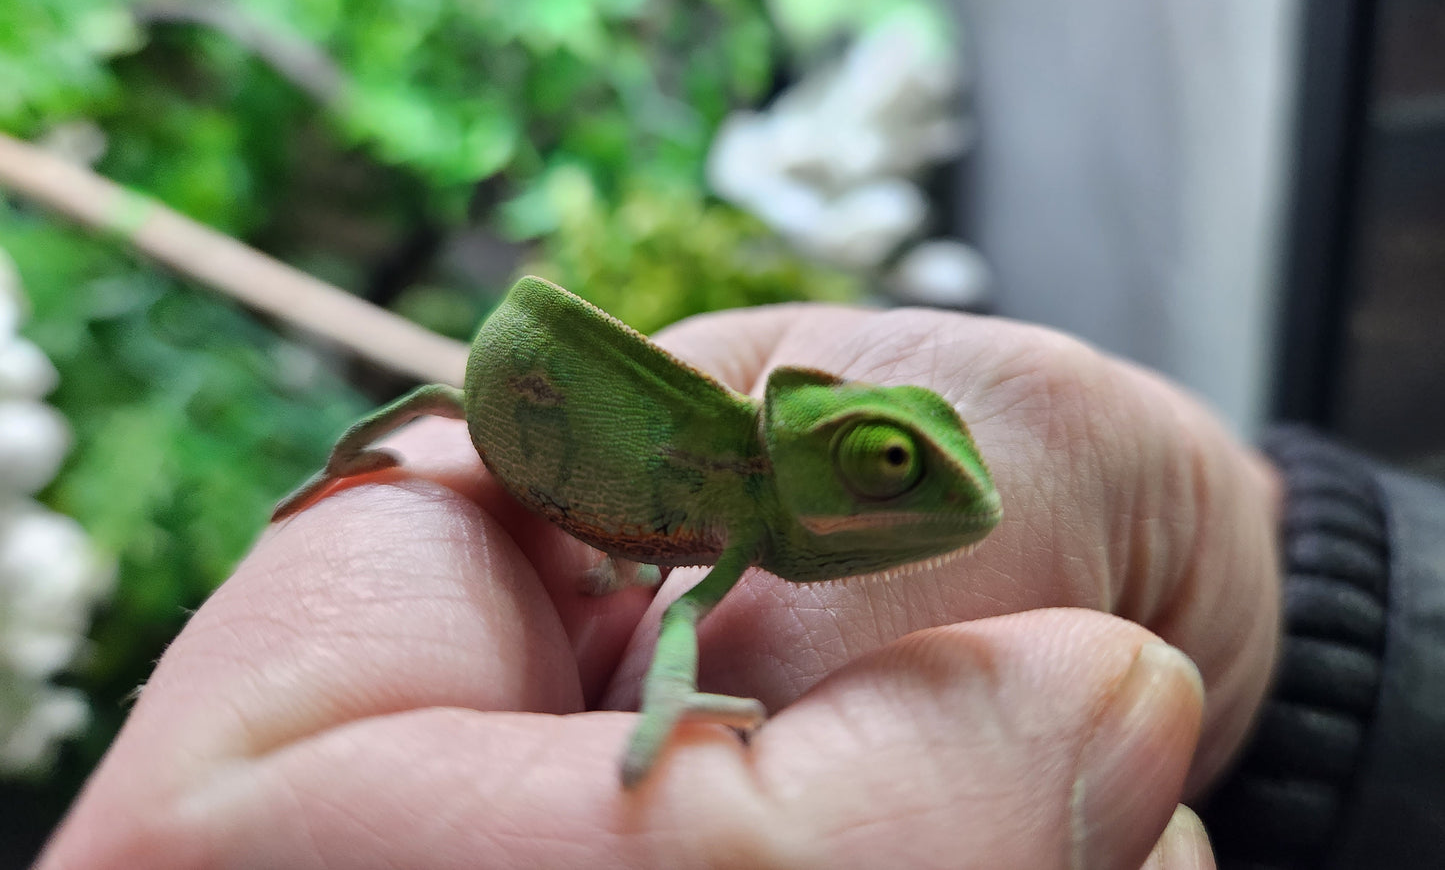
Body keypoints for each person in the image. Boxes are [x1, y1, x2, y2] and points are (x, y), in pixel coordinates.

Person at [35, 301, 1444, 868]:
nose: (949, 504)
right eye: (886, 464)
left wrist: (1288, 608)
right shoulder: (737, 517)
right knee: (431, 434)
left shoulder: (755, 519)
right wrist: (664, 732)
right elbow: (682, 633)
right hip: (526, 408)